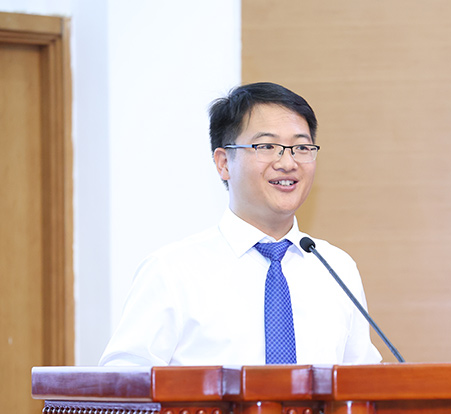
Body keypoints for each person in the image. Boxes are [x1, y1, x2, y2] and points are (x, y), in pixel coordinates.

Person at [100, 82, 382, 366]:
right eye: (267, 146)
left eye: (301, 147)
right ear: (223, 163)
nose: (288, 162)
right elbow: (123, 378)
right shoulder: (172, 271)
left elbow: (365, 381)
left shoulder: (336, 268)